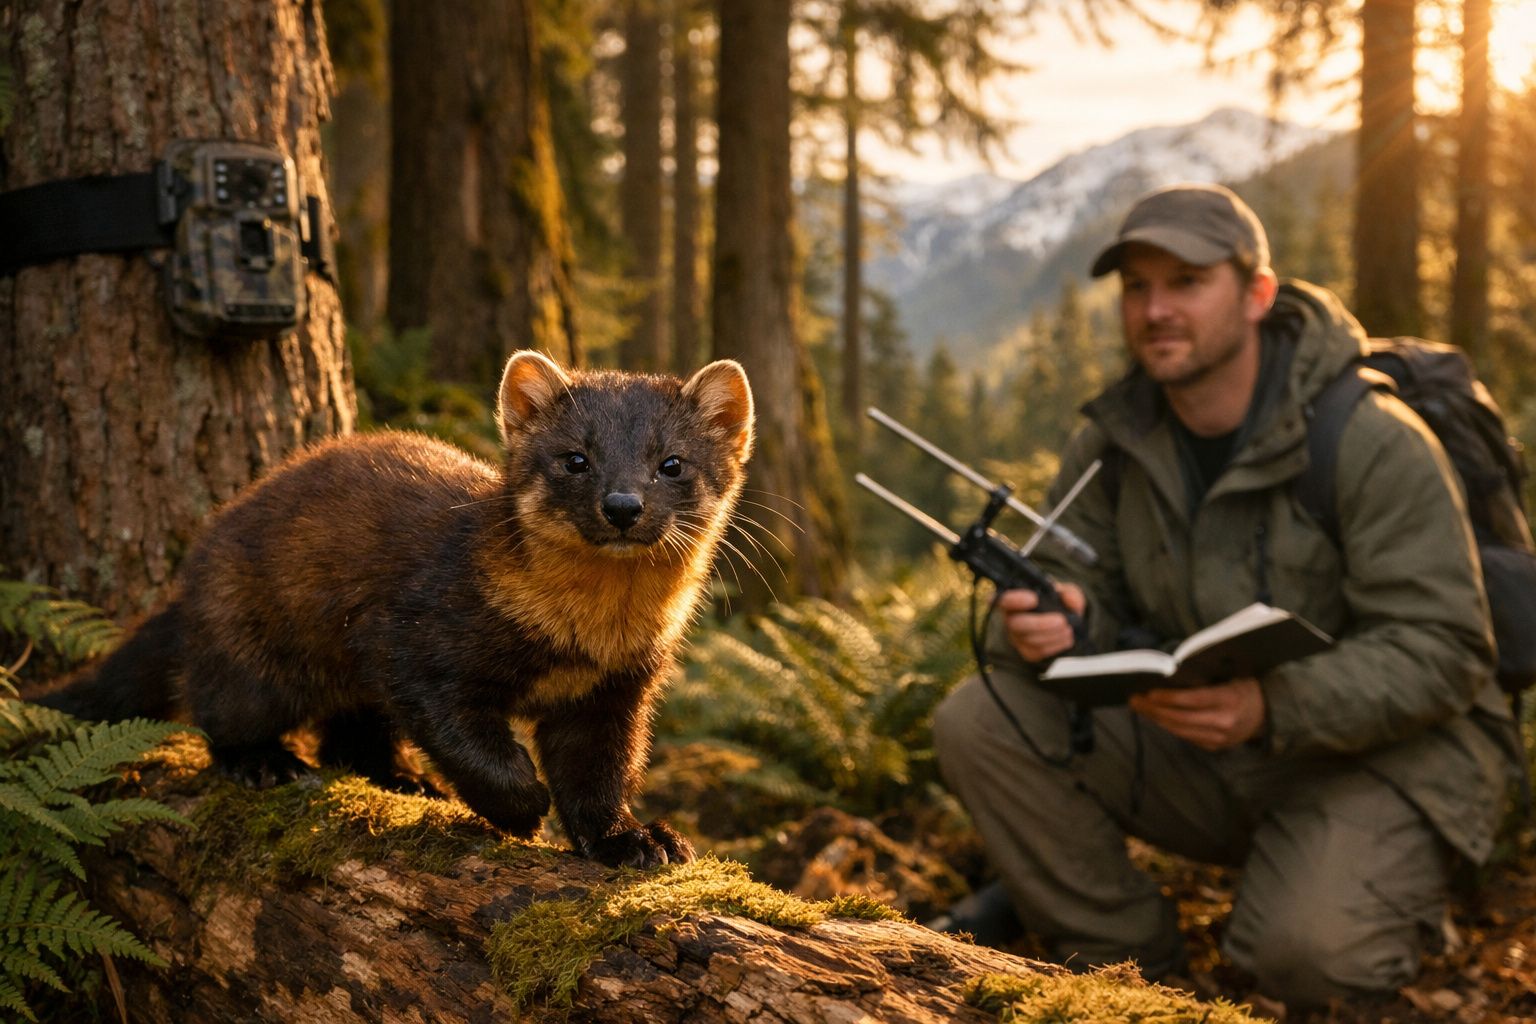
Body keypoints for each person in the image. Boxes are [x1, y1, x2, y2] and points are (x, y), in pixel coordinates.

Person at [931, 182, 1523, 1007]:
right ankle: (1130, 970)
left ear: (1257, 295)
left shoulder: (1370, 438)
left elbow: (1448, 648)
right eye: (1137, 286)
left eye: (1185, 281)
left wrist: (1268, 704)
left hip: (1386, 760)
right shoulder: (1114, 443)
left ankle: (1374, 887)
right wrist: (1052, 626)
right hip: (1214, 751)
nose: (1155, 309)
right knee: (978, 720)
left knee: (1302, 956)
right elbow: (1069, 606)